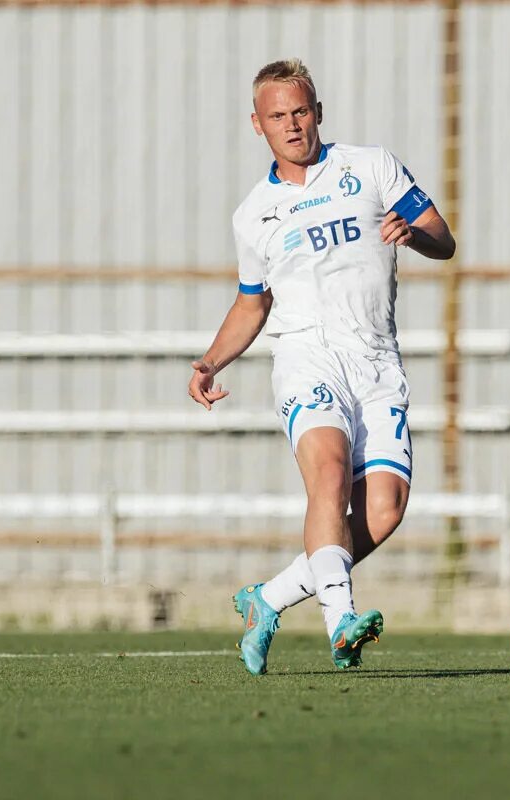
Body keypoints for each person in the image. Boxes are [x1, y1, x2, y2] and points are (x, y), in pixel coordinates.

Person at [188, 59, 455, 674]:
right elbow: (253, 303)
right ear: (257, 125)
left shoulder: (370, 166)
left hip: (377, 359)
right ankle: (341, 623)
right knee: (329, 476)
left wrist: (413, 236)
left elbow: (443, 238)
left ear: (318, 112)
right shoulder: (253, 214)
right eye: (277, 115)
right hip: (307, 356)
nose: (292, 124)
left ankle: (269, 598)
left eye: (300, 111)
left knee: (384, 509)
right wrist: (209, 360)